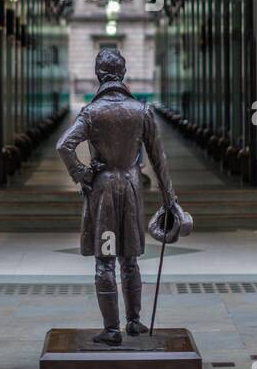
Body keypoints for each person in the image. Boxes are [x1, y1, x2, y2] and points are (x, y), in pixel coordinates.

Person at [57, 46, 184, 345]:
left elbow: (64, 145)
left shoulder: (91, 112)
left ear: (98, 75)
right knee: (130, 259)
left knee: (105, 261)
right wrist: (170, 200)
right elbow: (159, 159)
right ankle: (135, 322)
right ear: (123, 74)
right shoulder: (141, 111)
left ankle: (112, 329)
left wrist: (82, 173)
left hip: (102, 190)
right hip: (130, 186)